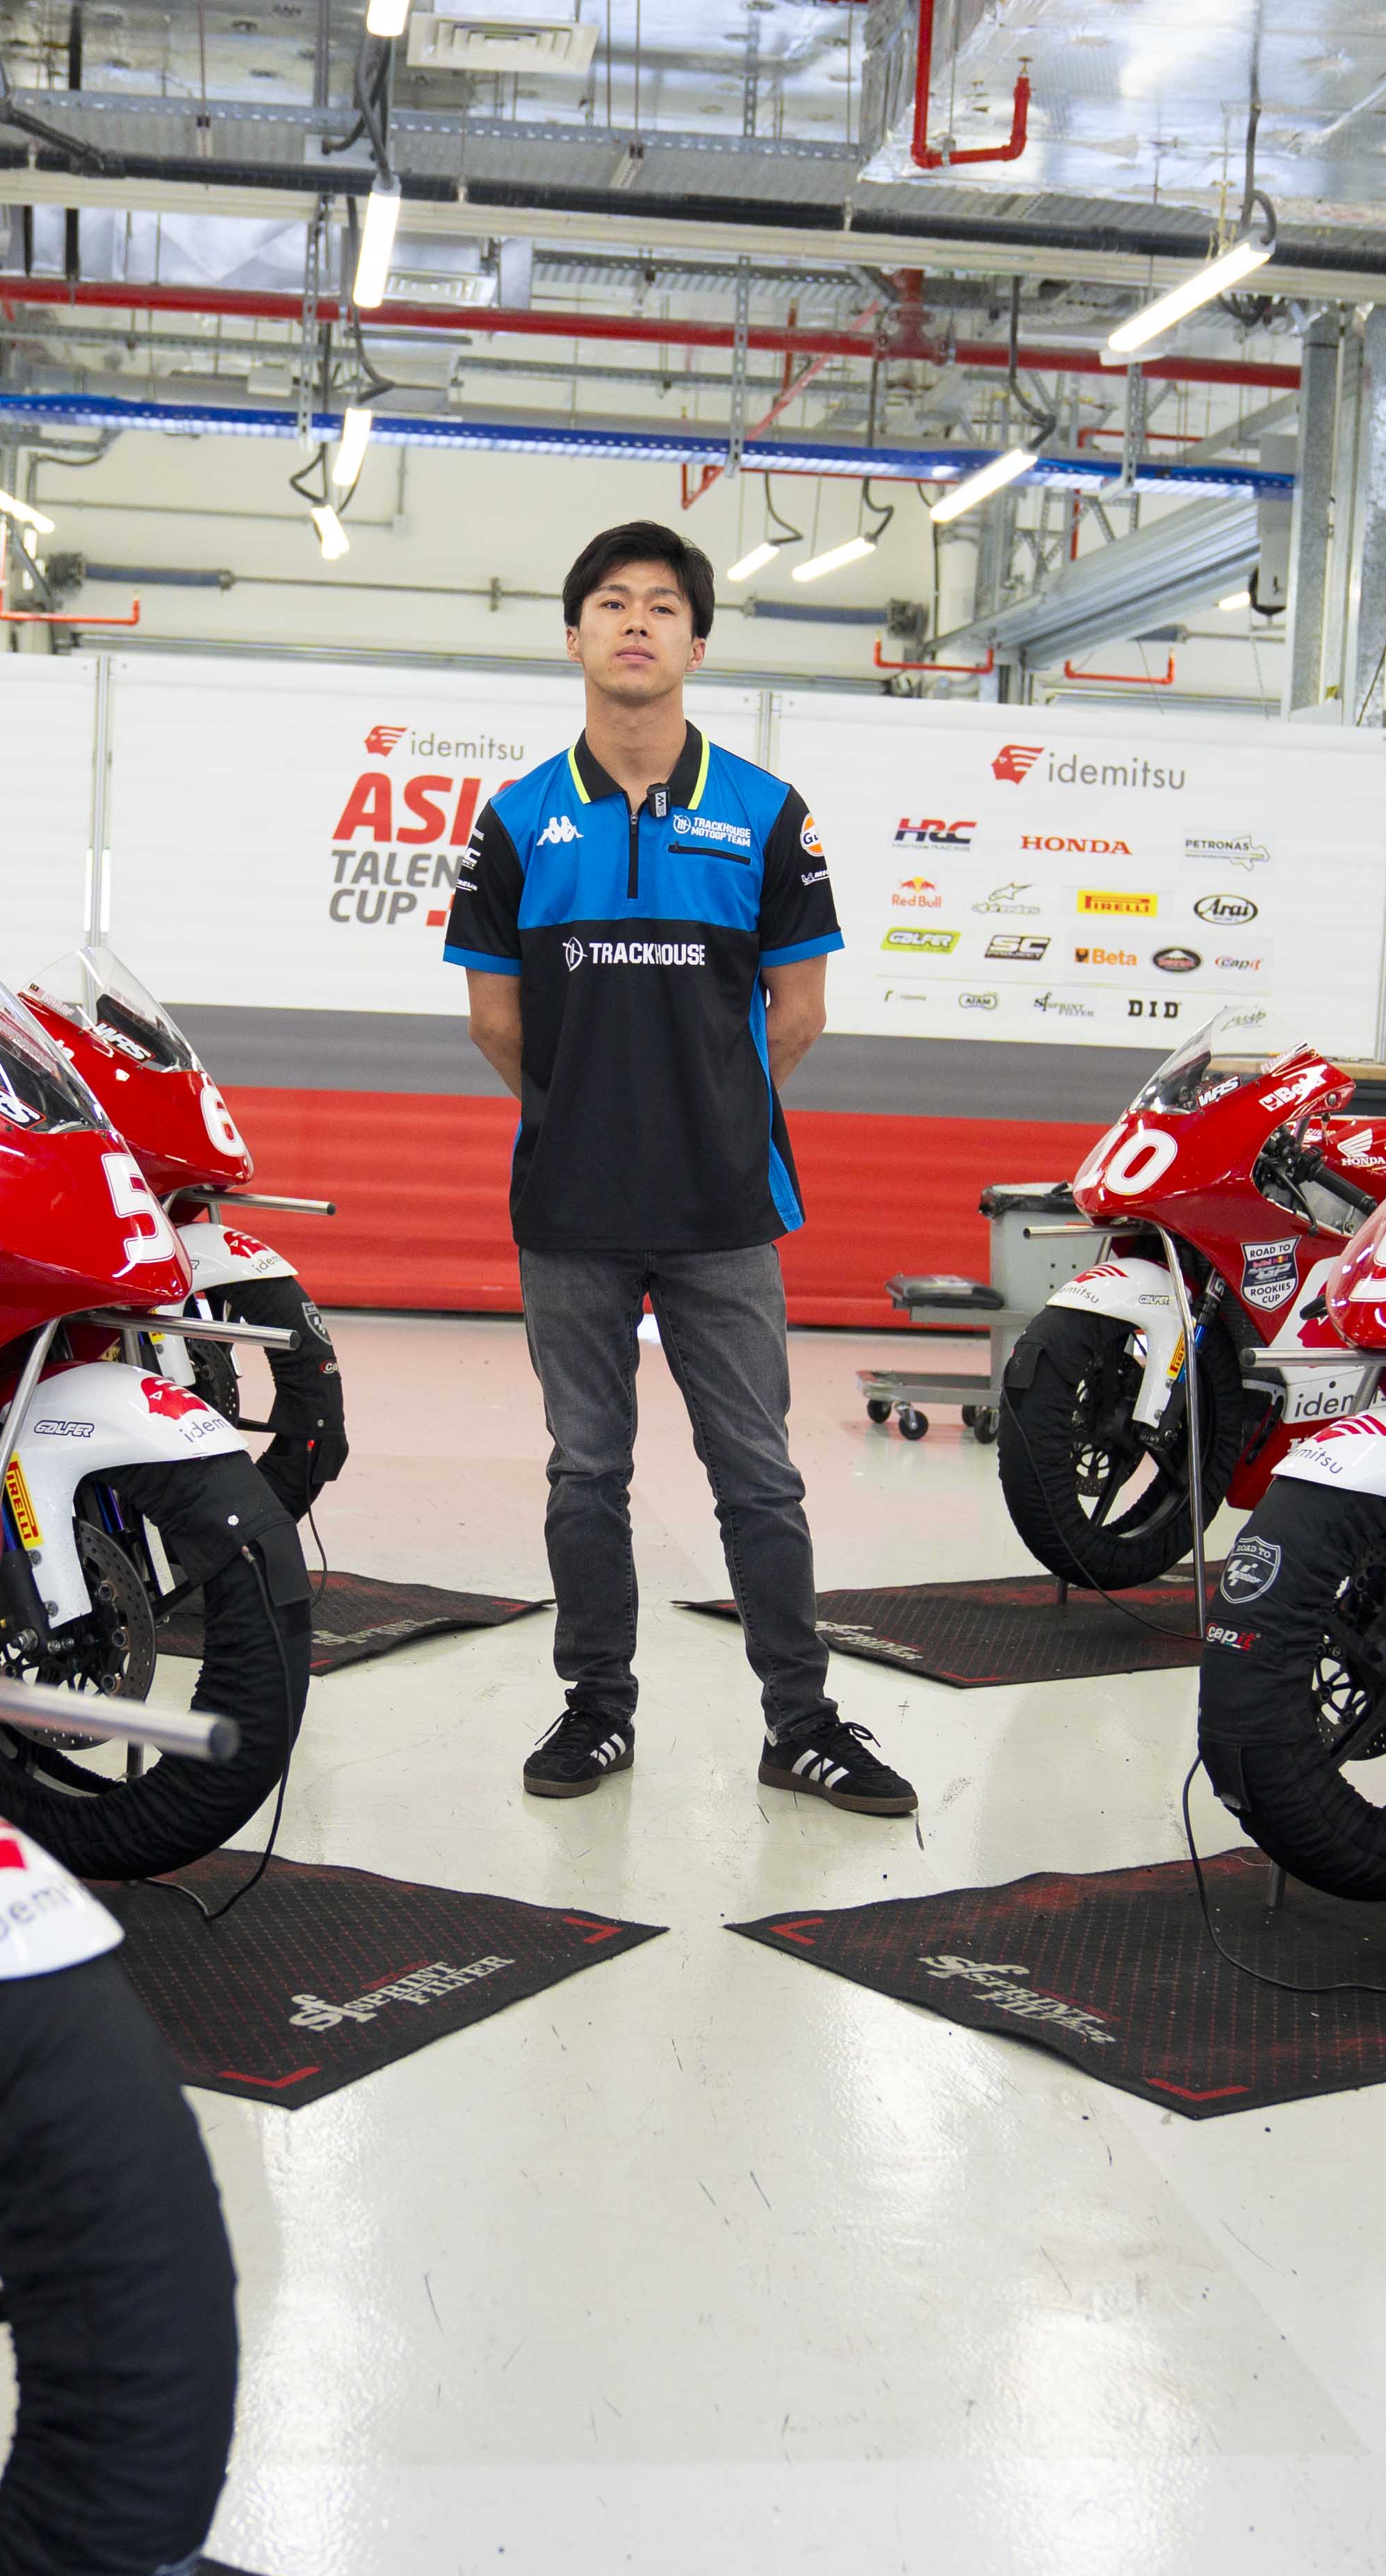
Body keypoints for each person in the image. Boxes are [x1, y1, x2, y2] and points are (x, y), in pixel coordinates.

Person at [443, 519, 913, 1818]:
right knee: (584, 1471)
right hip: (571, 1212)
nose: (636, 622)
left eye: (662, 606)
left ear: (697, 643)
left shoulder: (767, 814)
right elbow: (495, 1023)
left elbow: (798, 1013)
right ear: (578, 635)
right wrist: (591, 1116)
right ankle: (597, 1711)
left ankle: (801, 1723)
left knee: (755, 1472)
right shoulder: (515, 821)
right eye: (610, 602)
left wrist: (707, 1117)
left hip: (724, 1213)